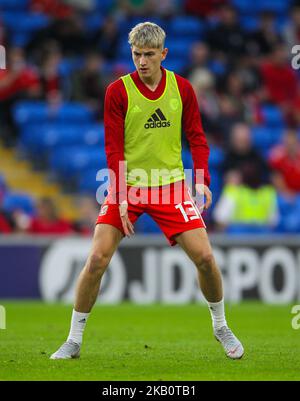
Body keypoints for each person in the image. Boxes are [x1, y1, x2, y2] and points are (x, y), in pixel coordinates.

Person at [50, 22, 244, 360]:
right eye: (137, 54)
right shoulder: (118, 91)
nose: (142, 61)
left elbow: (197, 138)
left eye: (149, 55)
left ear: (163, 54)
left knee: (206, 258)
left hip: (171, 187)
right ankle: (74, 340)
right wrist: (122, 195)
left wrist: (201, 179)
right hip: (130, 185)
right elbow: (113, 149)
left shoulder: (182, 89)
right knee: (96, 259)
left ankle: (220, 324)